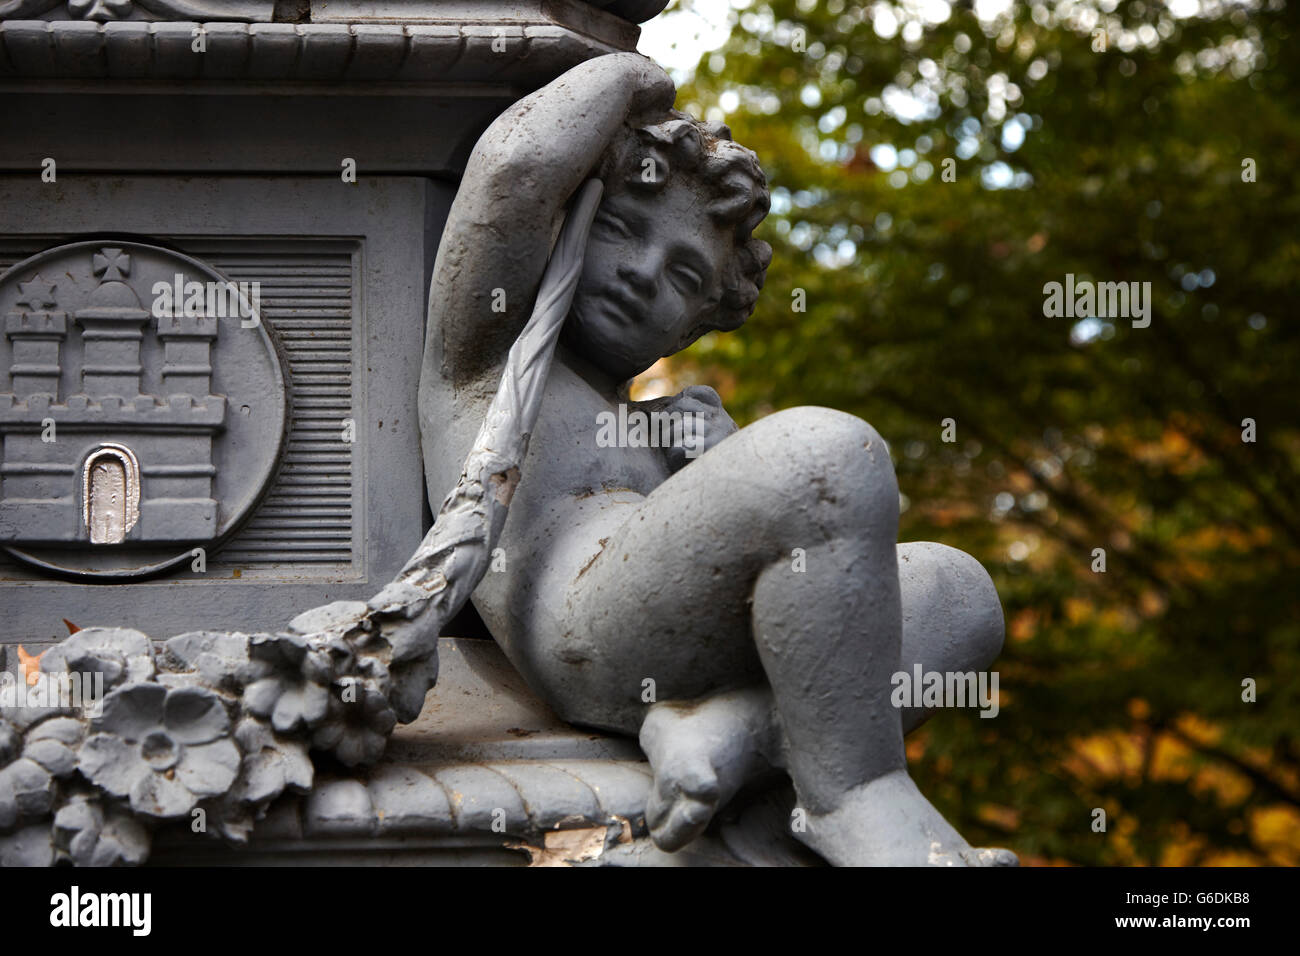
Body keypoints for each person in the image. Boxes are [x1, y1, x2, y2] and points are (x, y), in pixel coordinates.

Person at [418, 53, 1014, 865]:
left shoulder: (650, 428)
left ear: (694, 328)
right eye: (620, 231)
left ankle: (733, 728)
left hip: (668, 632)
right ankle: (854, 792)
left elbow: (798, 573)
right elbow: (515, 174)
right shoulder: (493, 361)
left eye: (682, 276)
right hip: (575, 619)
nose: (637, 275)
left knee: (961, 593)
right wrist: (627, 76)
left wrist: (708, 459)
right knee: (824, 453)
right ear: (572, 226)